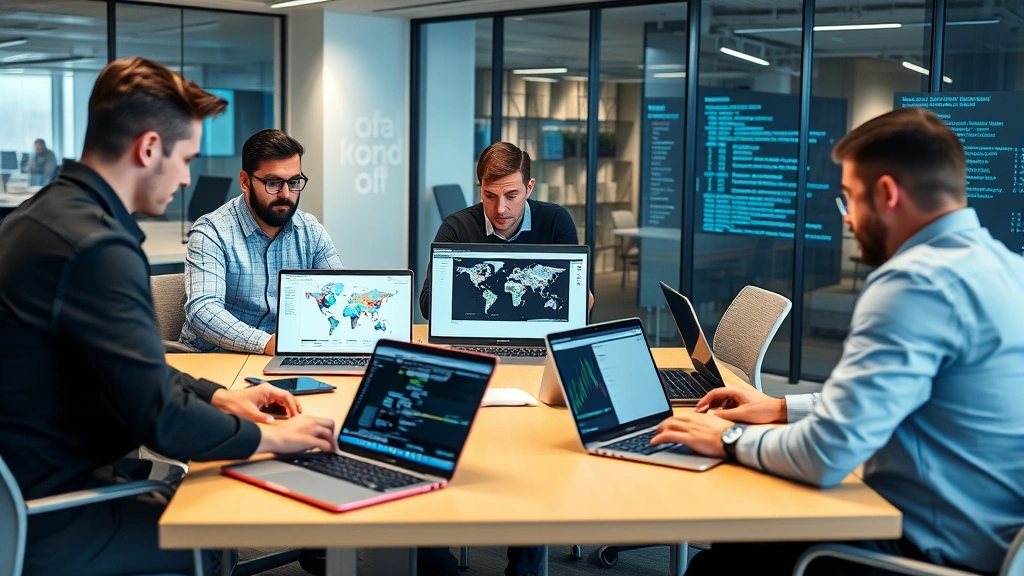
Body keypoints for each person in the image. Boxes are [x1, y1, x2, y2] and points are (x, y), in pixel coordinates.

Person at [0, 57, 338, 576]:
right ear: (149, 148)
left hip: (37, 484)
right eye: (186, 159)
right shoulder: (97, 249)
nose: (185, 179)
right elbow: (161, 420)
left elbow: (133, 367)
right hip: (52, 511)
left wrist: (219, 396)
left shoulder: (44, 217)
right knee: (209, 533)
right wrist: (275, 439)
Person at [650, 108, 1024, 576]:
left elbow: (824, 457)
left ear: (886, 193)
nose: (847, 219)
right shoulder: (1008, 269)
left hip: (926, 550)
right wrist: (780, 408)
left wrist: (727, 437)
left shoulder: (915, 284)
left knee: (727, 550)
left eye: (849, 198)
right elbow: (895, 395)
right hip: (992, 541)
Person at [179, 129, 343, 354]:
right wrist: (265, 343)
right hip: (214, 359)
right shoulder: (212, 232)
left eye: (294, 182)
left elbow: (338, 293)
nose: (286, 194)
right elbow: (203, 310)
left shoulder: (310, 231)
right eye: (273, 183)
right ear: (245, 182)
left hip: (281, 356)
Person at [418, 141, 592, 322]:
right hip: (478, 333)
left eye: (511, 196)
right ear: (480, 189)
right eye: (490, 196)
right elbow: (427, 306)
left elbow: (572, 301)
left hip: (536, 333)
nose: (500, 209)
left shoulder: (555, 222)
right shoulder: (456, 227)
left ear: (529, 188)